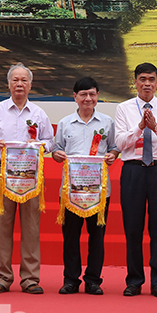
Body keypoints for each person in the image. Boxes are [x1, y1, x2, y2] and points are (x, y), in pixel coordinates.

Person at [0, 63, 54, 295]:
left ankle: (30, 278)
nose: (19, 84)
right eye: (15, 80)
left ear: (30, 85)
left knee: (31, 227)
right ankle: (2, 277)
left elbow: (51, 142)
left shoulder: (39, 113)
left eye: (24, 80)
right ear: (8, 84)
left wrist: (40, 146)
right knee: (2, 226)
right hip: (2, 172)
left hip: (31, 175)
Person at [114, 63, 157, 297]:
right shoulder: (123, 108)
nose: (147, 84)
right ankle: (134, 280)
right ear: (135, 82)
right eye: (142, 79)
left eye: (151, 79)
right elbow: (120, 143)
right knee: (132, 227)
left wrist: (155, 127)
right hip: (133, 170)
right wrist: (140, 127)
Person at [50, 77, 119, 295]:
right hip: (71, 191)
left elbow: (116, 147)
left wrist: (112, 155)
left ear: (97, 96)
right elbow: (55, 148)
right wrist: (57, 155)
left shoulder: (107, 122)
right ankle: (70, 279)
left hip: (98, 191)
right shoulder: (65, 123)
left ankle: (93, 280)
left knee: (96, 236)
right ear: (75, 97)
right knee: (70, 236)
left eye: (92, 94)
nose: (88, 99)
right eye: (83, 95)